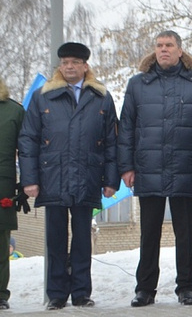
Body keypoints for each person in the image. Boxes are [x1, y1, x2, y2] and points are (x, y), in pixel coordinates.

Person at [117, 30, 192, 307]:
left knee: (186, 231)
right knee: (149, 232)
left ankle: (186, 287)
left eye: (169, 45)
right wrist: (126, 166)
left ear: (180, 51)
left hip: (186, 167)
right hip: (148, 166)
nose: (164, 50)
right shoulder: (138, 84)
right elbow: (126, 128)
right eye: (159, 45)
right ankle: (145, 289)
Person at [18, 43, 119, 310]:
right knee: (55, 239)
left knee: (83, 238)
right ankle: (57, 295)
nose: (69, 67)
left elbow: (112, 142)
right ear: (60, 66)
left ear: (86, 66)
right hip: (53, 177)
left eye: (75, 62)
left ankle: (82, 293)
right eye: (65, 63)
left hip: (87, 176)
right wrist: (29, 179)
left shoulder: (101, 97)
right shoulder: (43, 97)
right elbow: (28, 140)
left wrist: (111, 181)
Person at [0, 77, 25, 310]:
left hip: (2, 185)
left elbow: (27, 148)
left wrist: (27, 181)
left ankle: (0, 293)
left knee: (0, 242)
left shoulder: (13, 111)